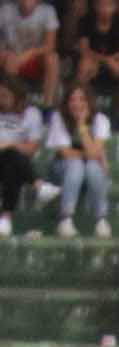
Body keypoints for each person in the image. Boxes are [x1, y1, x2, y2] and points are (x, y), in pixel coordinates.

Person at [47, 76, 109, 231]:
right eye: (72, 100)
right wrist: (92, 155)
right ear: (66, 103)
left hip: (90, 172)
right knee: (77, 164)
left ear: (89, 102)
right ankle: (65, 218)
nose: (77, 104)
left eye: (82, 99)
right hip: (61, 169)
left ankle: (101, 219)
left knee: (93, 167)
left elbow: (95, 154)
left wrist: (81, 125)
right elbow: (64, 151)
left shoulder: (101, 120)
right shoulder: (58, 118)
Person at [70, 0, 119, 118]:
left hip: (115, 62)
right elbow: (84, 49)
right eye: (102, 5)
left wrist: (111, 60)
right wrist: (105, 60)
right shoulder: (85, 22)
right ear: (95, 7)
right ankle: (80, 113)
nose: (105, 9)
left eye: (109, 6)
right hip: (94, 61)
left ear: (114, 7)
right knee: (84, 65)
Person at [0, 68, 42, 232]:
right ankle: (38, 184)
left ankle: (5, 218)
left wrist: (8, 145)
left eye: (5, 96)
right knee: (11, 156)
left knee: (12, 158)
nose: (1, 99)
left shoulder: (31, 114)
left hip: (15, 164)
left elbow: (31, 149)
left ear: (17, 96)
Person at [0, 0, 59, 107]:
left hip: (34, 58)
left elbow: (50, 45)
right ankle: (11, 103)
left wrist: (29, 54)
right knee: (8, 59)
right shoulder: (6, 9)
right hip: (10, 55)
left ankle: (48, 106)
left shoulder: (48, 11)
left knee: (52, 59)